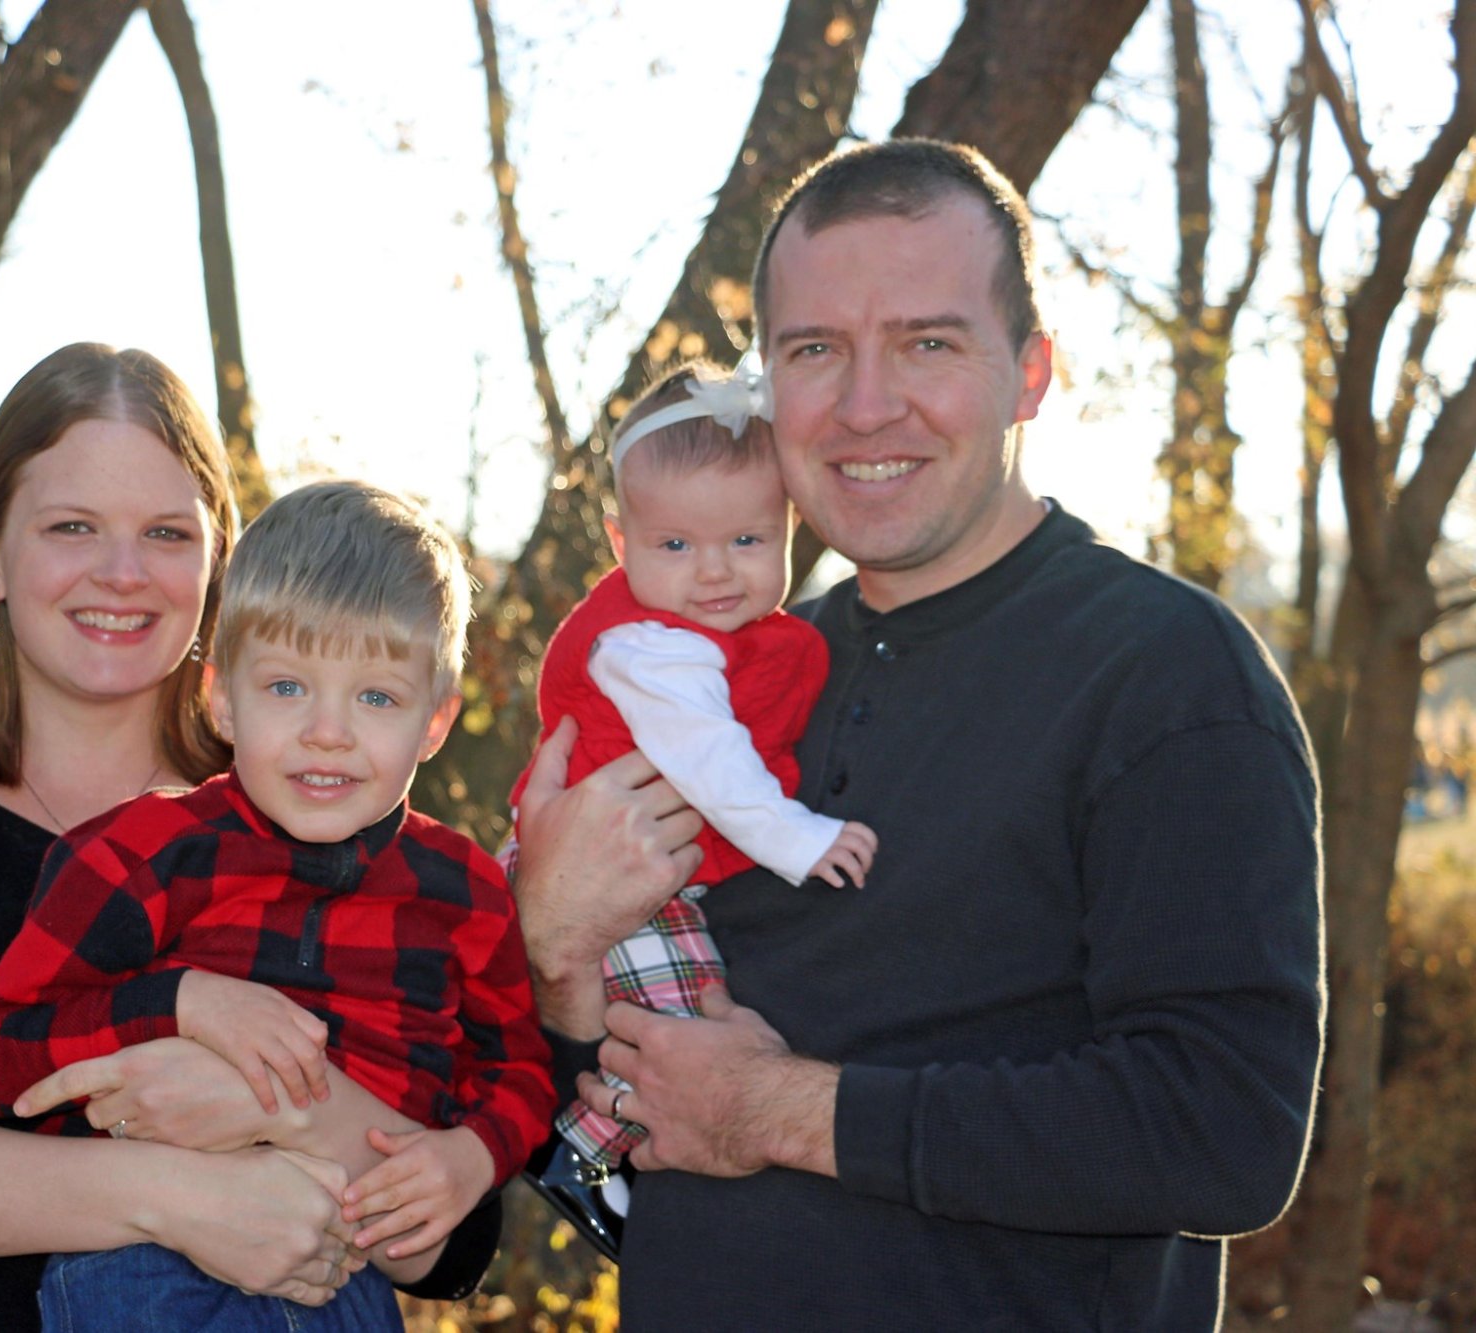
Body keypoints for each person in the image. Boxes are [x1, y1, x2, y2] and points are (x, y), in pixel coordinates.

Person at [511, 140, 1324, 1328]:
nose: (863, 404)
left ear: (1030, 372)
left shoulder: (1162, 672)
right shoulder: (724, 673)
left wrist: (787, 1111)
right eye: (813, 351)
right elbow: (603, 1149)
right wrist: (553, 952)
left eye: (926, 342)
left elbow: (1223, 1130)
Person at [0, 345, 502, 1332]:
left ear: (218, 560)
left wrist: (285, 1110)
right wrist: (175, 1194)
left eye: (166, 533)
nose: (122, 572)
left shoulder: (327, 822)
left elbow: (459, 1238)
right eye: (71, 527)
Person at [0, 479, 556, 1332]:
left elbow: (521, 1074)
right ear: (222, 699)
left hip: (346, 1274)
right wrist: (180, 1003)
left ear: (435, 722)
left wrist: (471, 1154)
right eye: (286, 688)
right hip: (145, 1262)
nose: (328, 731)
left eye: (377, 697)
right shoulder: (144, 852)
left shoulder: (463, 894)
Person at [511, 359, 877, 1258]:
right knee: (678, 1020)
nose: (713, 573)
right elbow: (714, 766)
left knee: (679, 1008)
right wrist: (803, 837)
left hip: (643, 866)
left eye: (748, 542)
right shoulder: (649, 644)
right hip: (596, 867)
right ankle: (592, 1160)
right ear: (619, 538)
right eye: (675, 546)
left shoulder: (732, 634)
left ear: (791, 525)